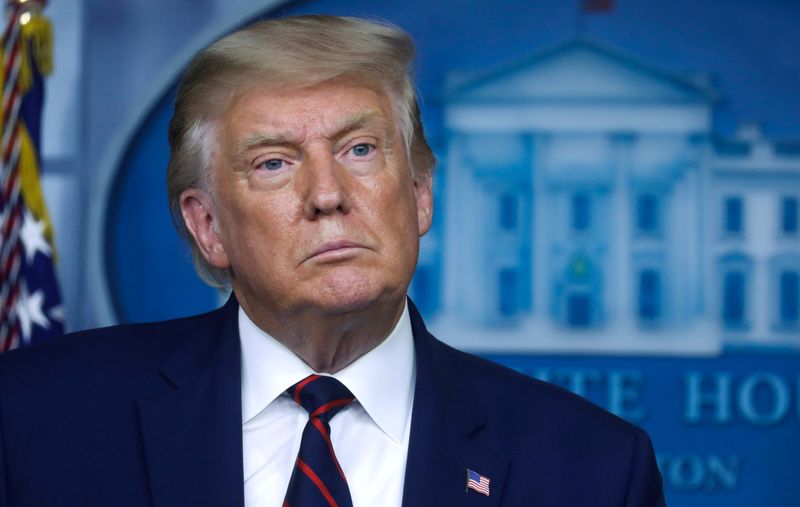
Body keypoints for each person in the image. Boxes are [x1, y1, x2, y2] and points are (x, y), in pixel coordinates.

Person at [0, 15, 665, 507]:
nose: (327, 195)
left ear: (419, 195)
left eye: (360, 150)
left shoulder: (595, 471)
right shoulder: (37, 419)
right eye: (273, 163)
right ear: (207, 227)